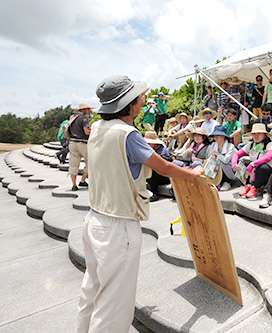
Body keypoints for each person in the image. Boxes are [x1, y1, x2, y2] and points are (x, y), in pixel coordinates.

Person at [77, 75, 203, 332]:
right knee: (113, 303)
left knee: (92, 289)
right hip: (118, 226)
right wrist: (193, 173)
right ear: (129, 104)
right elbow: (163, 166)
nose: (143, 100)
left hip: (94, 220)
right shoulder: (128, 134)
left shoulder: (98, 128)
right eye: (139, 97)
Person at [231, 123, 272, 198]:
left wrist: (253, 164)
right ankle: (248, 185)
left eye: (259, 133)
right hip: (253, 172)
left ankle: (256, 187)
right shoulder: (251, 145)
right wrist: (234, 164)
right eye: (254, 134)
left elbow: (268, 157)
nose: (256, 136)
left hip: (267, 173)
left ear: (264, 134)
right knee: (242, 164)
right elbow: (236, 154)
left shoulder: (270, 144)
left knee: (263, 167)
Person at [68, 103, 93, 191]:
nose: (89, 111)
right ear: (83, 110)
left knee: (73, 164)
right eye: (88, 109)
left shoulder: (72, 117)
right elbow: (87, 132)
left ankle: (74, 185)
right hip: (82, 143)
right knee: (90, 161)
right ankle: (82, 180)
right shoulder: (84, 119)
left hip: (72, 143)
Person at [206, 125, 237, 191]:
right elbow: (209, 155)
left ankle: (227, 182)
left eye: (218, 135)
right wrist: (212, 156)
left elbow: (226, 160)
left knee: (222, 162)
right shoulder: (213, 144)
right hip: (217, 171)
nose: (215, 138)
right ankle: (216, 182)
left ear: (223, 136)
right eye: (214, 136)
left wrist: (217, 154)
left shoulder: (230, 146)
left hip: (231, 171)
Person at [143, 131, 172, 202]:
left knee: (153, 171)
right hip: (156, 175)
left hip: (165, 175)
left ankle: (154, 193)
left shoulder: (162, 151)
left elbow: (161, 165)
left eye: (149, 143)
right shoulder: (151, 149)